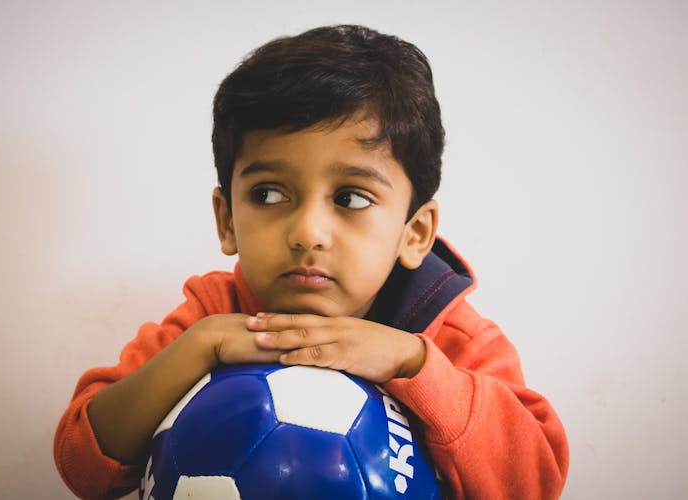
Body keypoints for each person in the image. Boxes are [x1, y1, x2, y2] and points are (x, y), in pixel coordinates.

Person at [54, 24, 569, 499]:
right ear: (227, 219)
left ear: (414, 234)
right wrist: (201, 348)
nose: (307, 233)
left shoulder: (454, 338)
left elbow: (537, 482)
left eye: (351, 198)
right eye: (270, 193)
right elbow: (82, 465)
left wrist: (414, 364)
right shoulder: (212, 312)